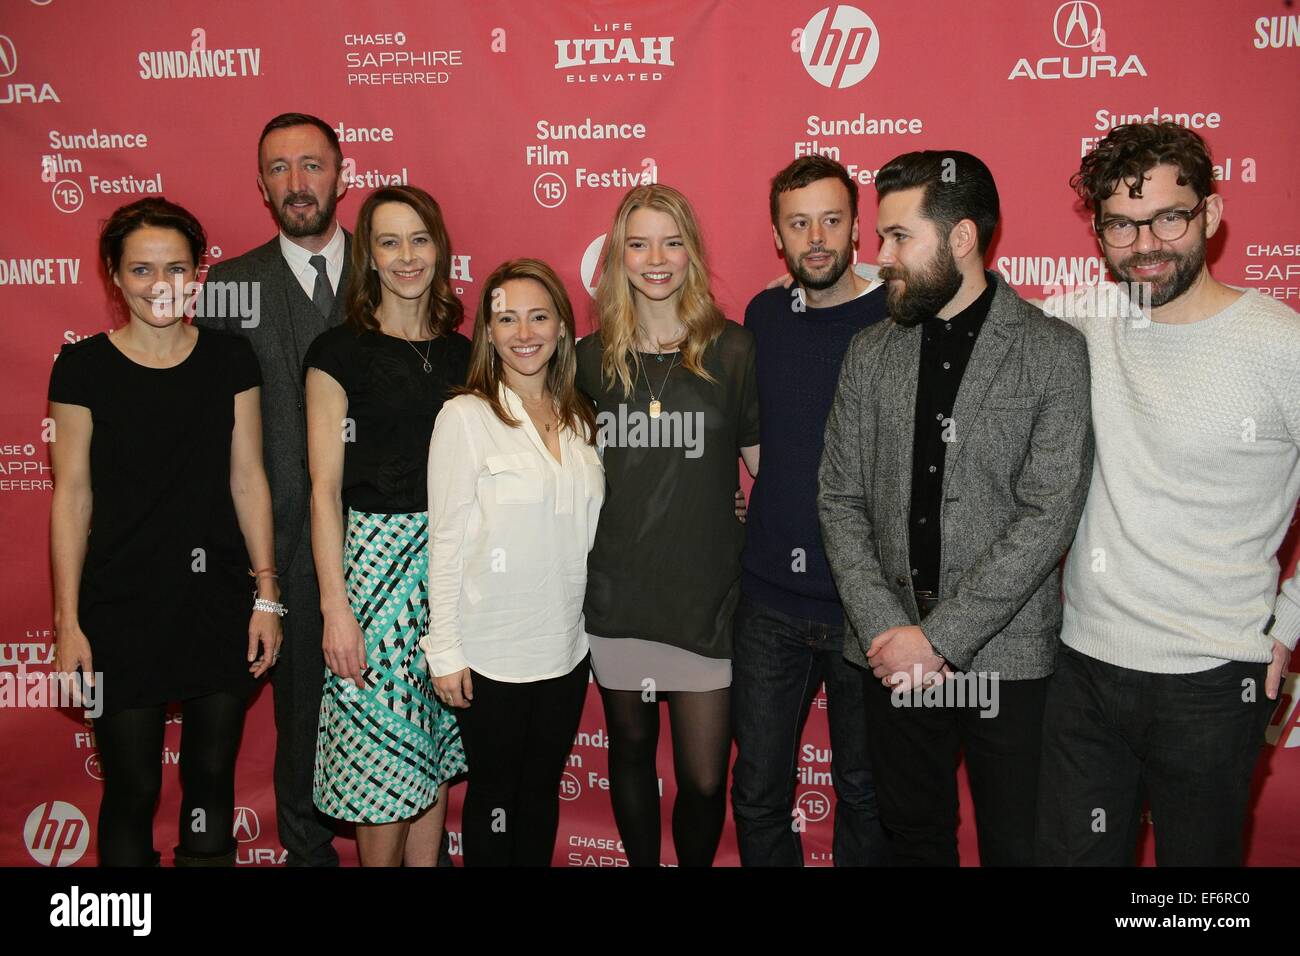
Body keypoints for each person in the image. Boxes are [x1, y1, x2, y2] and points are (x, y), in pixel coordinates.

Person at [817, 151, 1093, 866]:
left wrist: (938, 641)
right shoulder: (869, 352)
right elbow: (840, 500)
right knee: (911, 839)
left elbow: (1048, 515)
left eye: (899, 238)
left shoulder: (1053, 352)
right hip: (891, 654)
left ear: (961, 239)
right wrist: (891, 632)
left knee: (1016, 843)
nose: (880, 259)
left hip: (1005, 655)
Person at [1036, 122, 1299, 866]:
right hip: (1084, 670)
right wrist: (841, 289)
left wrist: (1287, 629)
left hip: (1215, 682)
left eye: (1168, 218)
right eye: (1120, 223)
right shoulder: (1084, 319)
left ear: (1210, 217)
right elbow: (974, 322)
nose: (1144, 244)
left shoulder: (1281, 345)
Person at [50, 197, 282, 866]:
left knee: (210, 784)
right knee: (132, 788)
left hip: (217, 606)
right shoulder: (83, 368)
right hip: (118, 606)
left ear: (198, 273)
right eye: (143, 269)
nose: (162, 284)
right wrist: (68, 622)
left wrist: (267, 595)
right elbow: (72, 496)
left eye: (177, 267)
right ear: (115, 276)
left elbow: (248, 479)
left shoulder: (230, 360)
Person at [576, 184, 760, 867]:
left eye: (672, 241)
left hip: (707, 596)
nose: (657, 258)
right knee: (628, 751)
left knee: (706, 778)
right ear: (618, 257)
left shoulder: (735, 350)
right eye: (639, 242)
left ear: (692, 253)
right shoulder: (588, 359)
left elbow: (766, 469)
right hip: (620, 592)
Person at [194, 112, 349, 866]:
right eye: (280, 169)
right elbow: (216, 430)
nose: (297, 183)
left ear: (341, 176)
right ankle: (307, 853)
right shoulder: (228, 286)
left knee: (404, 715)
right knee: (303, 719)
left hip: (396, 540)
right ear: (260, 186)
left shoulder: (396, 268)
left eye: (312, 165)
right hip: (281, 547)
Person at [731, 155, 890, 867]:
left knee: (866, 792)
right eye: (800, 224)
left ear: (859, 227)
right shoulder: (765, 313)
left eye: (831, 220)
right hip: (769, 600)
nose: (817, 238)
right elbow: (757, 434)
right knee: (759, 789)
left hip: (870, 607)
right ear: (778, 236)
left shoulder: (900, 315)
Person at [305, 186, 469, 867]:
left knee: (427, 748)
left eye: (420, 240)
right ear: (368, 257)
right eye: (389, 242)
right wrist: (335, 607)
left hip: (451, 568)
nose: (407, 257)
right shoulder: (337, 352)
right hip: (371, 571)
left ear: (440, 248)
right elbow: (322, 491)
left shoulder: (466, 353)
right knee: (380, 763)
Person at [423, 258, 602, 866]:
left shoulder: (583, 415)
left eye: (538, 316)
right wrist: (443, 648)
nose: (524, 333)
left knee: (539, 792)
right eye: (506, 319)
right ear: (488, 332)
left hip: (566, 648)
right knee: (495, 796)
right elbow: (444, 540)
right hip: (490, 651)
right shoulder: (465, 417)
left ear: (561, 328)